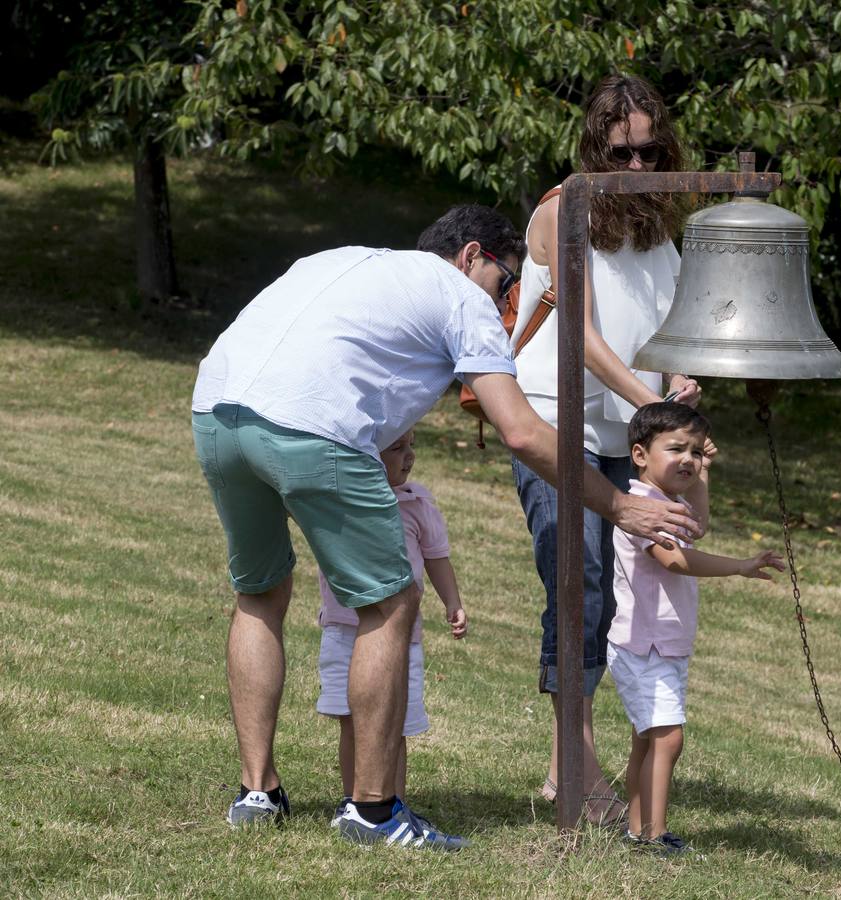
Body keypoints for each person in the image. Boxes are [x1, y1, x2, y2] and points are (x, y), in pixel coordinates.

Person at [191, 204, 698, 852]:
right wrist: (620, 505)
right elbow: (520, 430)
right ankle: (373, 813)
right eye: (507, 282)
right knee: (392, 598)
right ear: (473, 257)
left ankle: (257, 792)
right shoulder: (463, 297)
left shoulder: (344, 259)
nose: (508, 300)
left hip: (216, 409)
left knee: (260, 591)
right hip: (309, 421)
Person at [510, 72, 706, 824]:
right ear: (596, 146)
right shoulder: (563, 212)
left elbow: (672, 327)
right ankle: (580, 763)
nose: (638, 167)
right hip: (554, 425)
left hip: (631, 434)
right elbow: (579, 337)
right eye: (623, 152)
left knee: (630, 600)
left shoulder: (658, 232)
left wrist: (678, 379)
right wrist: (649, 401)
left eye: (652, 153)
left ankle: (575, 764)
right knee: (578, 581)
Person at [608, 402, 784, 854]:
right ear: (640, 454)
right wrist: (739, 566)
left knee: (647, 740)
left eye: (696, 452)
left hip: (661, 645)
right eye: (676, 449)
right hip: (644, 645)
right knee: (669, 738)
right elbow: (675, 558)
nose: (688, 459)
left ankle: (637, 828)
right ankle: (654, 835)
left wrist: (703, 473)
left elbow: (698, 527)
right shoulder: (641, 509)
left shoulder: (669, 503)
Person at [315, 428, 467, 837]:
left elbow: (437, 557)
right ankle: (354, 802)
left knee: (392, 723)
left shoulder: (417, 503)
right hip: (343, 629)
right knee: (351, 721)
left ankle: (392, 805)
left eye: (412, 445)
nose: (410, 455)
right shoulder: (341, 499)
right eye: (397, 448)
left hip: (399, 639)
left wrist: (452, 601)